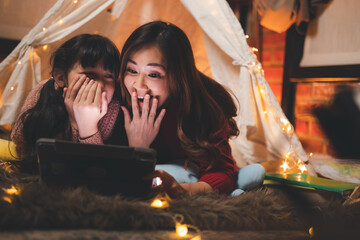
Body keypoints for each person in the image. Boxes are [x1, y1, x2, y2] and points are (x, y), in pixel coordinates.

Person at [118, 21, 264, 198]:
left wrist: (183, 190)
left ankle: (238, 179)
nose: (138, 86)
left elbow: (220, 172)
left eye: (154, 75)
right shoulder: (117, 100)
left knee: (246, 174)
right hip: (169, 170)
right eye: (132, 70)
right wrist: (138, 146)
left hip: (191, 170)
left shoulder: (202, 108)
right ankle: (239, 182)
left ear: (177, 77)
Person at [11, 34, 125, 170]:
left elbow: (98, 169)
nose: (100, 84)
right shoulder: (44, 91)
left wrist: (88, 127)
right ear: (60, 78)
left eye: (108, 76)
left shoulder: (118, 109)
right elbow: (20, 140)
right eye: (90, 75)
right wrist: (74, 124)